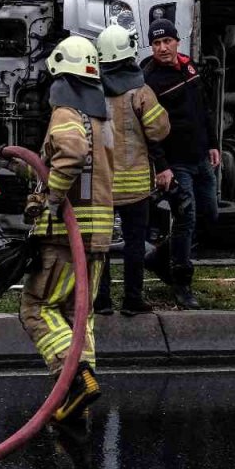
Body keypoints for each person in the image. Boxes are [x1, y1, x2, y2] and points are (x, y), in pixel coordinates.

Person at [19, 35, 115, 424]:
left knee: (37, 307)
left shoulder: (66, 113)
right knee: (80, 313)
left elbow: (70, 156)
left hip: (64, 237)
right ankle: (81, 383)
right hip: (99, 235)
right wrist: (13, 165)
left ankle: (73, 375)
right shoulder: (100, 116)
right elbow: (56, 164)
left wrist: (52, 201)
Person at [92, 25, 170, 317]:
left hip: (102, 186)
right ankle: (132, 300)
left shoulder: (92, 91)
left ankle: (101, 302)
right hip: (136, 188)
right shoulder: (141, 91)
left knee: (99, 245)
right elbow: (159, 130)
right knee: (135, 245)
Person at [143, 19, 218, 310]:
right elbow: (148, 131)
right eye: (156, 43)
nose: (162, 48)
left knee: (209, 215)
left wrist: (212, 143)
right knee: (185, 217)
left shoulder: (190, 68)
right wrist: (162, 166)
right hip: (176, 164)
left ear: (177, 42)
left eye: (167, 42)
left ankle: (158, 258)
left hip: (201, 158)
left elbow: (204, 109)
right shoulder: (149, 80)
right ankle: (181, 283)